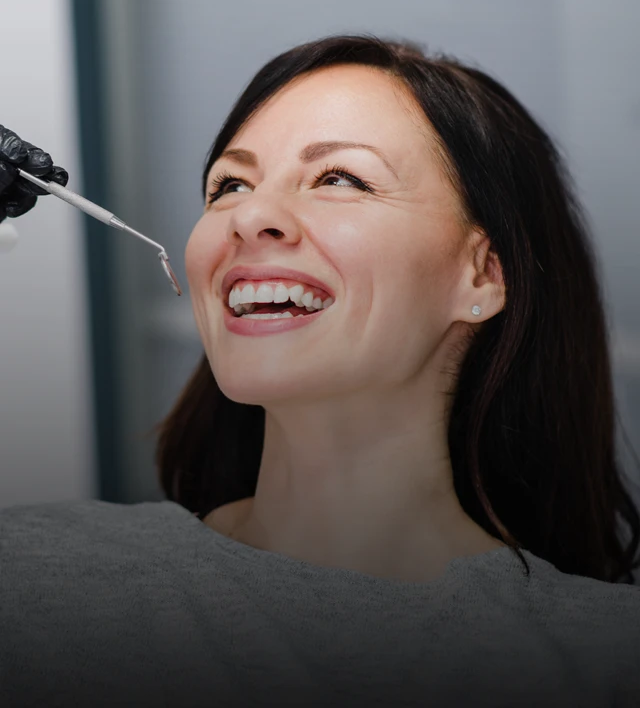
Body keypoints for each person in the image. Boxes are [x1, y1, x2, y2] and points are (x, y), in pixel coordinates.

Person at [1, 35, 640, 708]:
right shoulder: (31, 577)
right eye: (229, 185)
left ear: (480, 274)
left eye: (341, 179)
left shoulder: (605, 658)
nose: (249, 216)